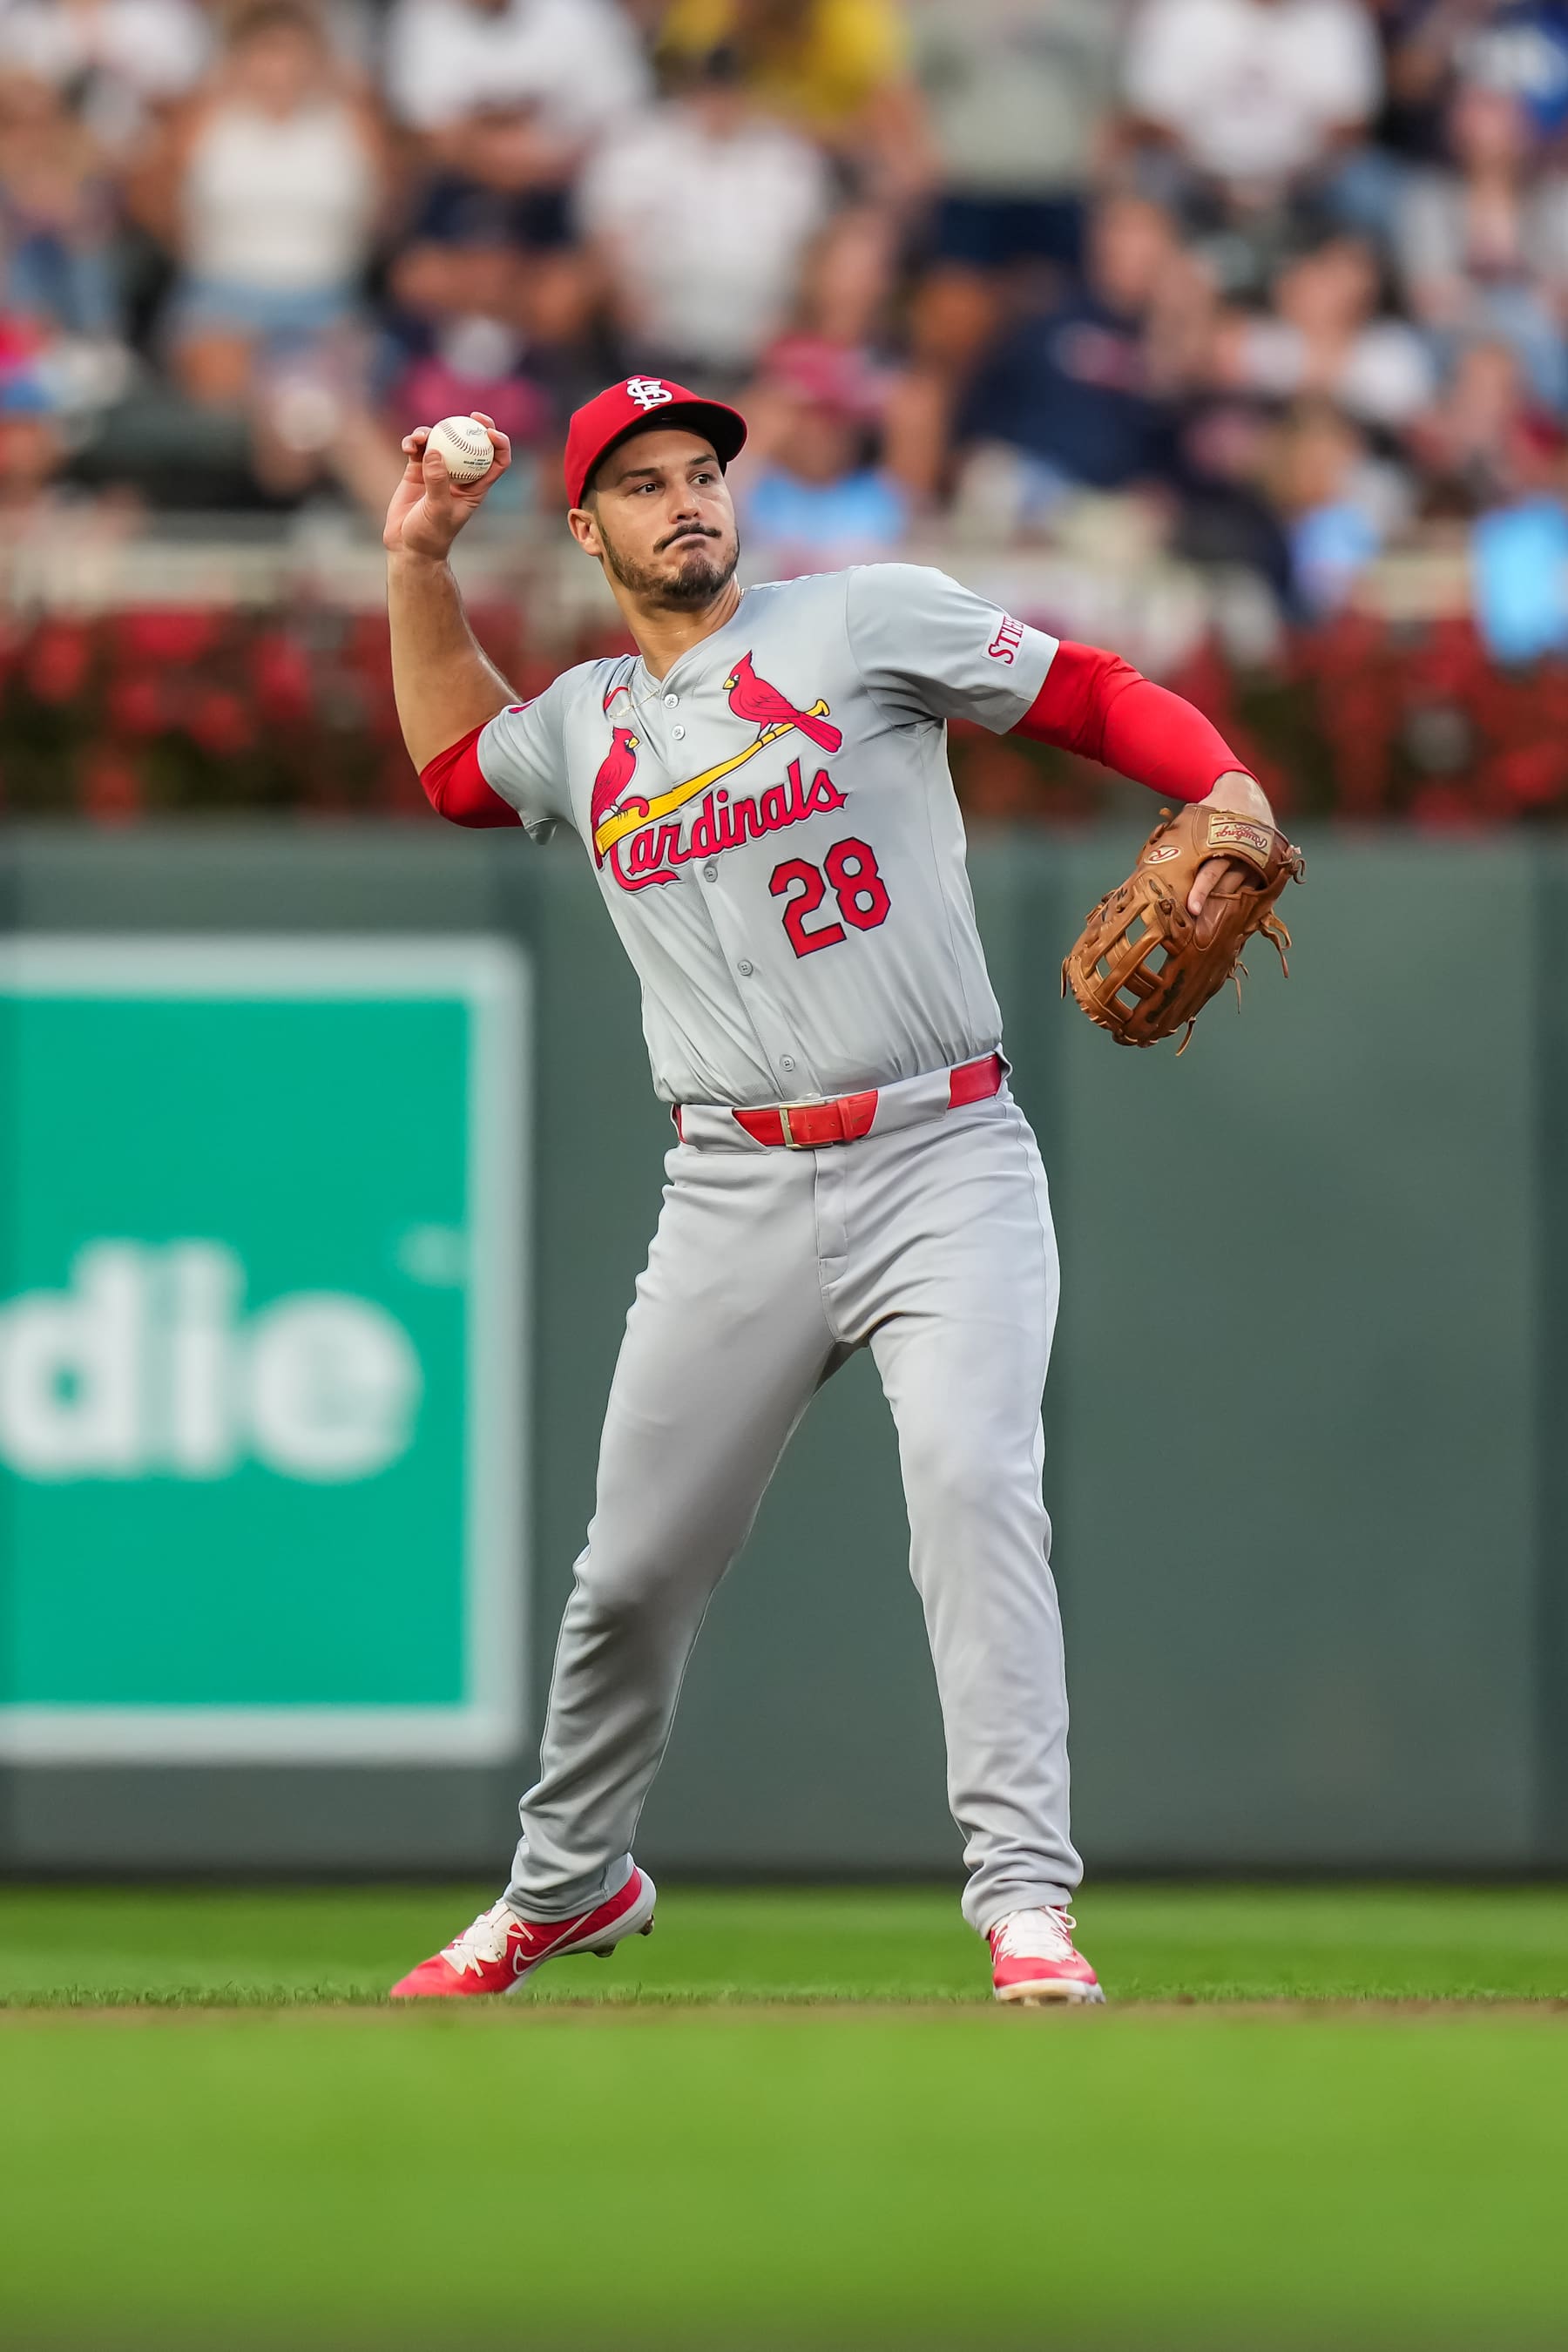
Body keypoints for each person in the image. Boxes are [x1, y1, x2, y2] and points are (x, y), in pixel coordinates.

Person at [382, 375, 1279, 2006]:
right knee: (632, 1571)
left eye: (705, 471)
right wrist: (420, 564)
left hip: (945, 1153)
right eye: (645, 485)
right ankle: (564, 1888)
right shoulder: (583, 722)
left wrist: (1221, 787)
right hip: (728, 1184)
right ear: (589, 530)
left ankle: (1024, 1904)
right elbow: (456, 769)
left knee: (971, 1482)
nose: (688, 501)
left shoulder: (860, 622)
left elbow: (1078, 690)